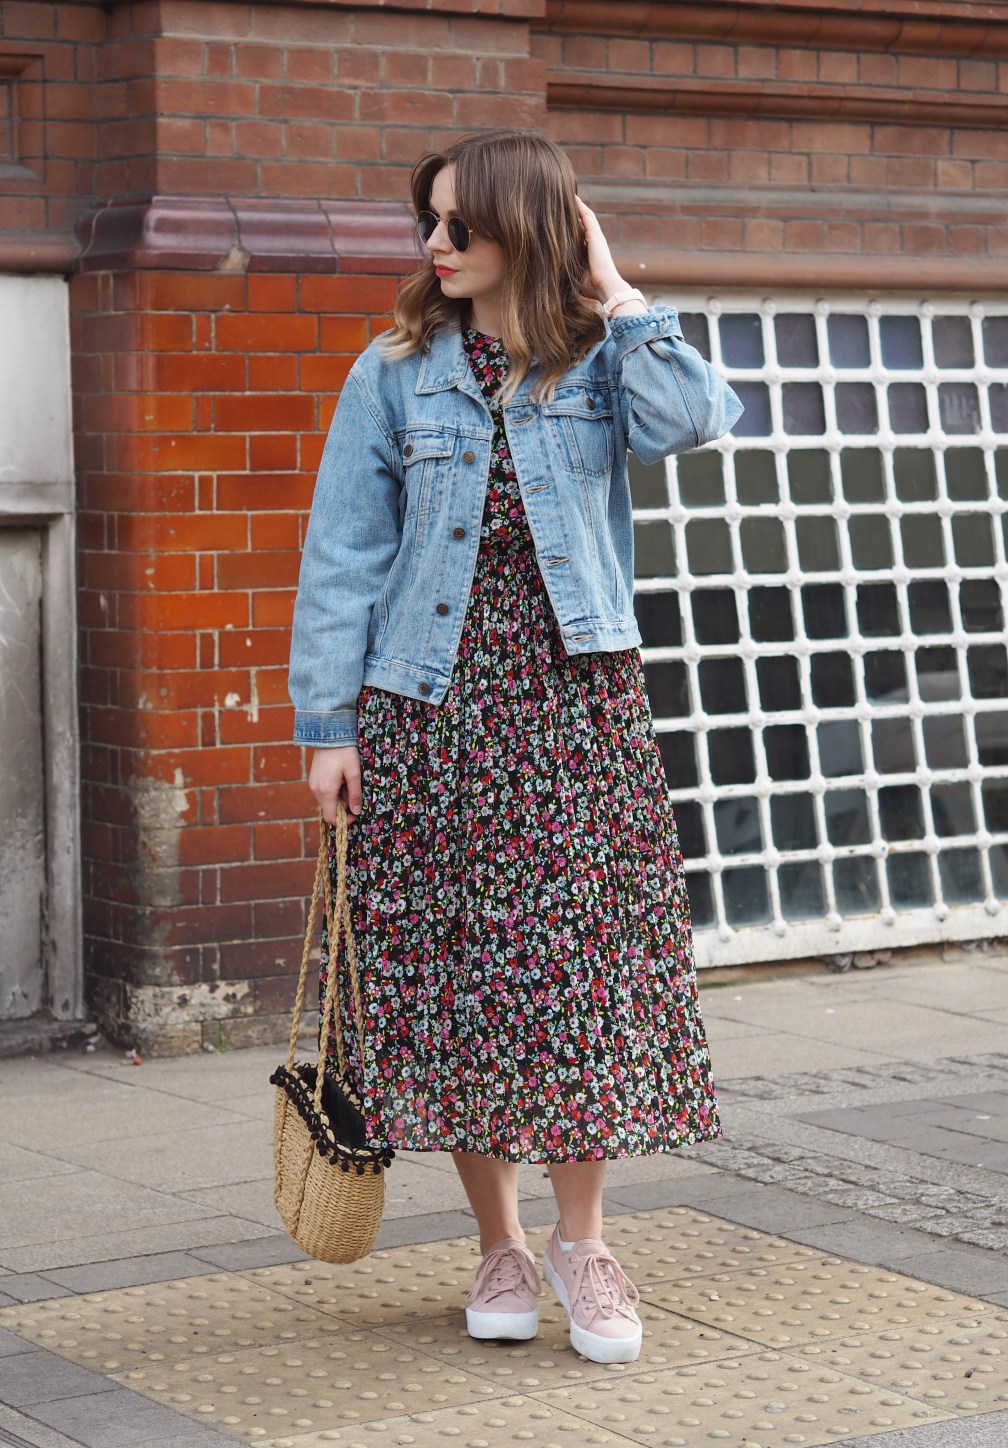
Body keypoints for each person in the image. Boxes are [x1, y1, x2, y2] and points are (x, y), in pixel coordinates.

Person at [288, 127, 744, 1365]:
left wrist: (619, 288)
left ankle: (582, 1242)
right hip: (425, 714)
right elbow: (342, 556)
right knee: (452, 979)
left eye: (462, 226)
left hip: (571, 711)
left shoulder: (601, 360)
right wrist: (329, 730)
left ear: (530, 234)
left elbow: (698, 418)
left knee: (575, 972)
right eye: (428, 224)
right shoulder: (393, 371)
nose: (435, 246)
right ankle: (496, 1237)